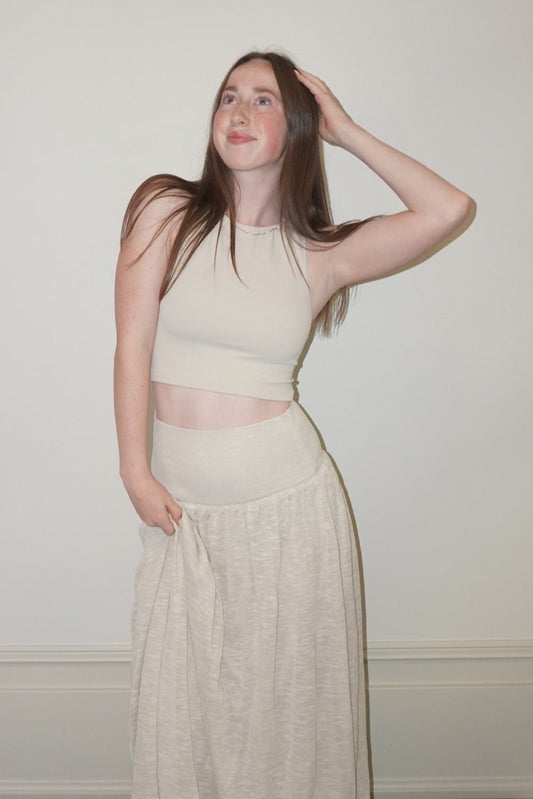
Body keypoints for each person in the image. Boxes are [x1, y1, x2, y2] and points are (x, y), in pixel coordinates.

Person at [114, 50, 473, 799]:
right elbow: (133, 344)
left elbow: (448, 209)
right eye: (228, 97)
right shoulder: (164, 210)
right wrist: (134, 469)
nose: (238, 113)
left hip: (290, 512)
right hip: (182, 514)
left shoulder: (318, 254)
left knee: (286, 717)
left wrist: (343, 129)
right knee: (183, 718)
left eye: (264, 101)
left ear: (297, 126)